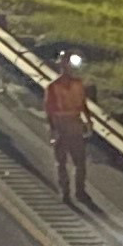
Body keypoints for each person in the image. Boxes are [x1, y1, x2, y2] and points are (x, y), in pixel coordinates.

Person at [44, 52, 94, 204]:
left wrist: (88, 120)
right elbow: (49, 110)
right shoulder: (53, 87)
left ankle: (79, 191)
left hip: (74, 125)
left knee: (79, 162)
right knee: (63, 162)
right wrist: (54, 130)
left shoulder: (77, 84)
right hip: (62, 126)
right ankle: (66, 192)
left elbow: (83, 104)